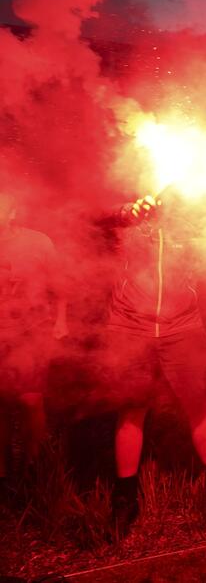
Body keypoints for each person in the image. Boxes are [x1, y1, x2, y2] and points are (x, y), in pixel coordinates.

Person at [99, 192, 206, 534]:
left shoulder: (193, 218)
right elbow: (92, 219)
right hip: (130, 325)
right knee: (132, 408)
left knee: (200, 405)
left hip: (183, 326)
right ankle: (125, 499)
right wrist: (123, 210)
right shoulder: (130, 214)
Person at [0, 191, 67, 503]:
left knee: (30, 402)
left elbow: (60, 284)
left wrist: (61, 320)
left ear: (13, 213)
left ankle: (33, 467)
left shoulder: (39, 242)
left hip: (32, 331)